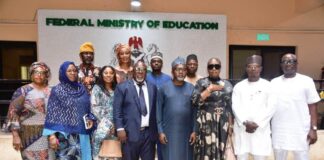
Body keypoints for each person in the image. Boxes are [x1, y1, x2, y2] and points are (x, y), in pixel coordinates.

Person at [271, 53, 320, 160]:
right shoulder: (274, 83)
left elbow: (313, 106)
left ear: (297, 64)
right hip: (279, 130)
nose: (287, 64)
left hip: (300, 130)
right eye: (284, 61)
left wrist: (314, 129)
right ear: (281, 65)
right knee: (279, 157)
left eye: (291, 61)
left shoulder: (306, 81)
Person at [43, 61, 96, 160]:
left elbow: (87, 108)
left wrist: (90, 118)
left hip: (82, 133)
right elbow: (51, 113)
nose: (73, 73)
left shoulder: (82, 89)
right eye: (69, 71)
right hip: (65, 136)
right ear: (63, 72)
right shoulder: (57, 90)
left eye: (75, 70)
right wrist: (52, 136)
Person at [232, 55, 276, 160]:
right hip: (242, 129)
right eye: (250, 66)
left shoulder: (268, 85)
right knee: (242, 156)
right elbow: (235, 106)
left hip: (260, 129)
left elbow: (271, 107)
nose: (253, 69)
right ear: (246, 68)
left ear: (260, 68)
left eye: (256, 66)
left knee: (260, 156)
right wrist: (245, 122)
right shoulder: (239, 86)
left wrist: (257, 123)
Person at [113, 60, 158, 160]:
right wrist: (120, 129)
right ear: (132, 71)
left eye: (143, 70)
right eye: (137, 69)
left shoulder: (153, 88)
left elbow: (155, 110)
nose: (140, 72)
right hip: (129, 134)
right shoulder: (122, 87)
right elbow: (117, 110)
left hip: (149, 135)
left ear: (146, 72)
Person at [6, 62, 52, 160]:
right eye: (36, 72)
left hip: (48, 134)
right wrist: (15, 135)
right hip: (28, 135)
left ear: (46, 75)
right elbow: (13, 112)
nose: (39, 75)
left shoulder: (51, 91)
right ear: (31, 74)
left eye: (42, 73)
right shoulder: (23, 91)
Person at [192, 57, 233, 160]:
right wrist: (209, 89)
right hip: (206, 122)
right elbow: (194, 101)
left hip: (222, 122)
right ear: (207, 69)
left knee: (221, 151)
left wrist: (231, 125)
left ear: (220, 68)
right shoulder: (201, 83)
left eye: (217, 66)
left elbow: (230, 106)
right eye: (211, 66)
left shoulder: (227, 85)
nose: (214, 69)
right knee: (206, 151)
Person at [157, 57, 197, 160]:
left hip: (186, 133)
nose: (181, 72)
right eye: (178, 69)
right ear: (172, 72)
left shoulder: (191, 88)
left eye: (183, 69)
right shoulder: (163, 88)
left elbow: (195, 112)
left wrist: (194, 130)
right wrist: (161, 132)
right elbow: (158, 112)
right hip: (169, 133)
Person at [146, 52, 171, 160]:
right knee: (148, 152)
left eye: (158, 61)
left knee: (163, 151)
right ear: (150, 63)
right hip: (148, 120)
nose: (156, 63)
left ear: (162, 63)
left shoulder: (168, 79)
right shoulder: (145, 77)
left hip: (164, 120)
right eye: (154, 61)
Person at [91, 65, 118, 159]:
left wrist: (116, 124)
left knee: (113, 154)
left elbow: (120, 108)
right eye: (106, 73)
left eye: (111, 73)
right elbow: (94, 107)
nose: (108, 75)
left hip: (115, 127)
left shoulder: (117, 89)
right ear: (101, 75)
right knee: (100, 154)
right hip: (101, 125)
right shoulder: (97, 88)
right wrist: (109, 124)